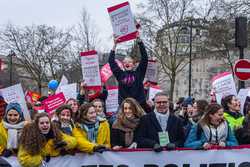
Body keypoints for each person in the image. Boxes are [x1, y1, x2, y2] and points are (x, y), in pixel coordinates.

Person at [109, 33, 149, 112]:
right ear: (123, 65)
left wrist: (139, 41)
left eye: (130, 62)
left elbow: (145, 58)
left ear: (134, 64)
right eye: (125, 62)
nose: (127, 63)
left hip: (138, 107)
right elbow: (111, 61)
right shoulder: (120, 74)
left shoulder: (139, 73)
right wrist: (115, 45)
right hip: (124, 108)